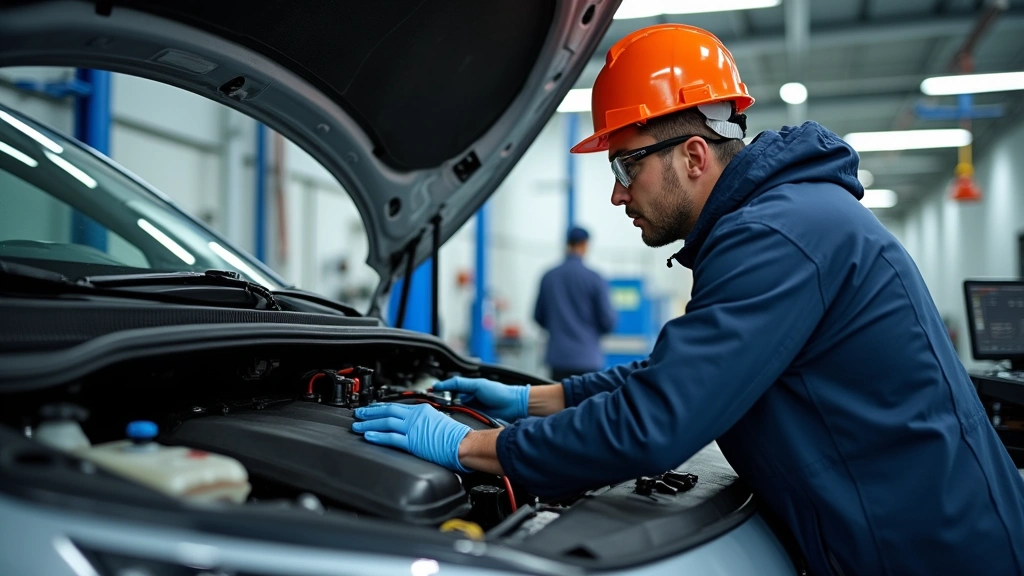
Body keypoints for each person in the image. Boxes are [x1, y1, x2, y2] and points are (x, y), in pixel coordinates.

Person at [353, 24, 1024, 575]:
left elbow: (655, 424)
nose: (617, 193)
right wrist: (533, 400)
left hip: (929, 555)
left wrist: (470, 447)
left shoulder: (776, 236)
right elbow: (683, 377)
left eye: (626, 165)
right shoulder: (784, 220)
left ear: (695, 155)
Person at [533, 226, 617, 380]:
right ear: (585, 244)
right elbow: (608, 321)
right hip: (587, 359)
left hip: (558, 359)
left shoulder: (549, 277)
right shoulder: (594, 278)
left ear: (567, 244)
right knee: (587, 403)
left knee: (558, 402)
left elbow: (538, 317)